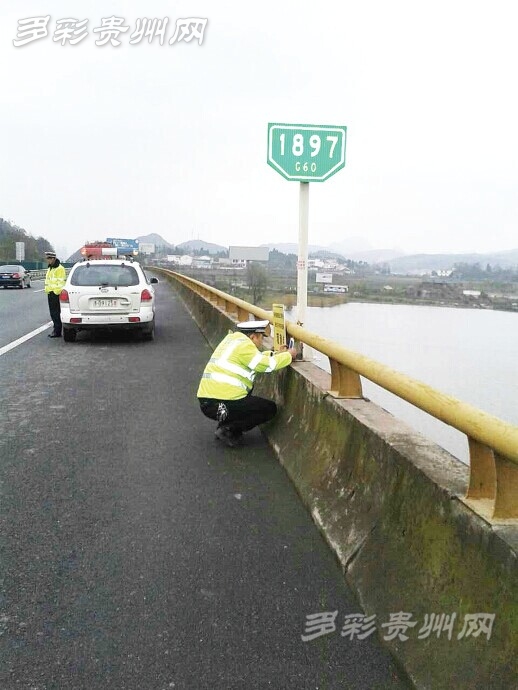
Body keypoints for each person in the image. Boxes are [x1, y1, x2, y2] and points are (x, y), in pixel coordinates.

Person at [197, 320, 297, 447]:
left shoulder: (233, 340)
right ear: (253, 337)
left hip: (209, 403)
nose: (262, 342)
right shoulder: (244, 346)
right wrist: (288, 356)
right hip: (219, 405)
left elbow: (258, 357)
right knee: (269, 409)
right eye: (261, 338)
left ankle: (225, 424)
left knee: (247, 392)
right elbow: (266, 365)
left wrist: (276, 354)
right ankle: (229, 429)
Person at [44, 251, 67, 338]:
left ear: (53, 259)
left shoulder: (59, 268)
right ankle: (56, 329)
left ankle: (57, 331)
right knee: (53, 313)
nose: (48, 261)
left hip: (55, 293)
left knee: (56, 313)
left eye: (49, 259)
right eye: (47, 259)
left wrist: (56, 292)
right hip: (50, 292)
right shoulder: (50, 268)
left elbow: (61, 282)